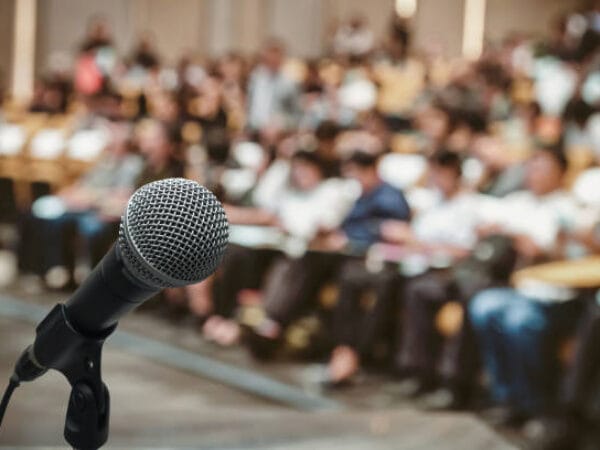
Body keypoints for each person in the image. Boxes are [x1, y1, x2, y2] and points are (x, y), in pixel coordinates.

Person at [246, 151, 411, 362]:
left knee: (340, 275)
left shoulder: (388, 196)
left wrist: (345, 235)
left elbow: (389, 230)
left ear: (370, 171)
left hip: (370, 261)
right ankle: (273, 323)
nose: (352, 179)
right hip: (340, 255)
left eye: (355, 173)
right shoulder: (357, 194)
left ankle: (348, 352)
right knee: (295, 261)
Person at [468, 143, 582, 427]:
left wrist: (526, 240)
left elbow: (563, 253)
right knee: (484, 306)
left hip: (561, 296)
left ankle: (537, 403)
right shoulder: (518, 201)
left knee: (519, 322)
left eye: (542, 167)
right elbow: (482, 223)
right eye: (530, 167)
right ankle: (508, 397)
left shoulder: (570, 207)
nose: (533, 174)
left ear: (561, 173)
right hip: (521, 289)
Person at [246, 39, 300, 143]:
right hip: (255, 132)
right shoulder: (255, 78)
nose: (271, 60)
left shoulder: (290, 83)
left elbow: (297, 115)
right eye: (268, 57)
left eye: (275, 57)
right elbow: (250, 106)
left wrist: (280, 124)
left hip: (278, 135)